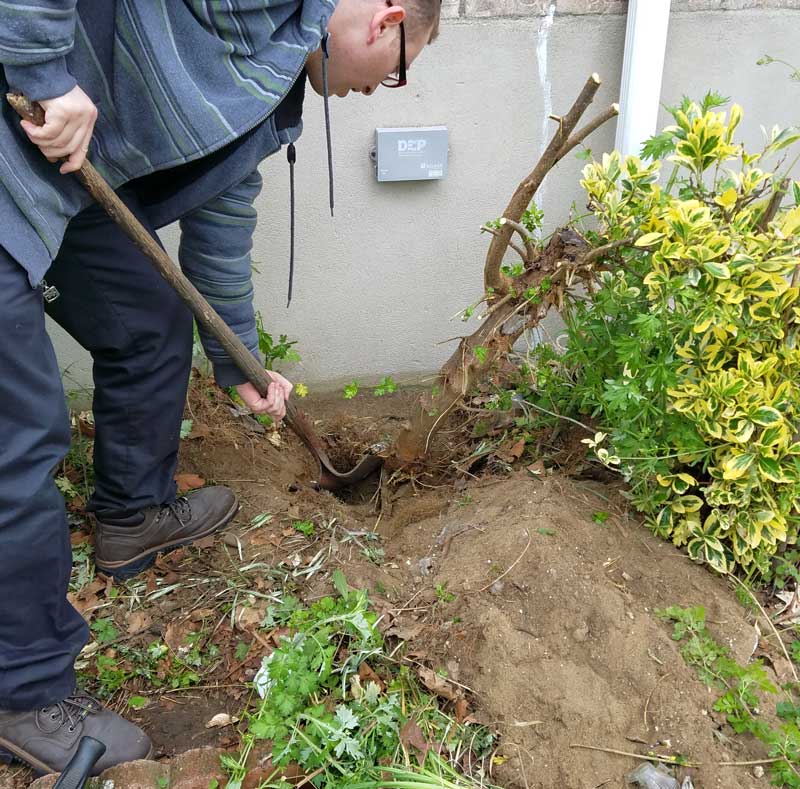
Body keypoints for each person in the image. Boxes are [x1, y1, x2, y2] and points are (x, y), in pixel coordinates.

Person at [0, 0, 440, 775]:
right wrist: (42, 69)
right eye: (403, 68)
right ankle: (26, 692)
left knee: (148, 320)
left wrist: (240, 363)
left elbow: (221, 223)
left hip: (64, 174)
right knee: (22, 431)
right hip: (16, 123)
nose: (391, 88)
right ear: (387, 20)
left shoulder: (273, 94)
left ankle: (132, 516)